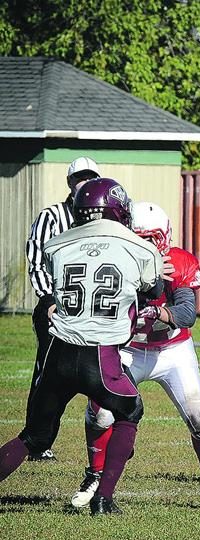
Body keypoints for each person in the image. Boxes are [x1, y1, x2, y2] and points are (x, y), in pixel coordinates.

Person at [0, 178, 164, 515]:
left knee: (35, 436)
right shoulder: (140, 248)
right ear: (117, 209)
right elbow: (153, 288)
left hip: (59, 350)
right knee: (130, 411)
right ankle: (103, 498)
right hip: (100, 355)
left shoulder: (56, 245)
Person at [70, 201, 200, 511]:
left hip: (172, 350)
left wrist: (160, 311)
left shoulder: (179, 263)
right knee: (100, 413)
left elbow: (187, 314)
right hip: (128, 348)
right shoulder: (114, 261)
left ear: (164, 238)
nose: (143, 245)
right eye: (138, 237)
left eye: (150, 239)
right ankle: (95, 475)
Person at [24, 156, 100, 461]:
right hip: (56, 308)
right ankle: (38, 441)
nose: (85, 183)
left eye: (90, 177)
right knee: (48, 375)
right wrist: (49, 300)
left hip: (91, 309)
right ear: (70, 183)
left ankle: (114, 436)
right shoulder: (52, 216)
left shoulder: (103, 220)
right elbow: (36, 259)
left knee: (102, 371)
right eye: (79, 178)